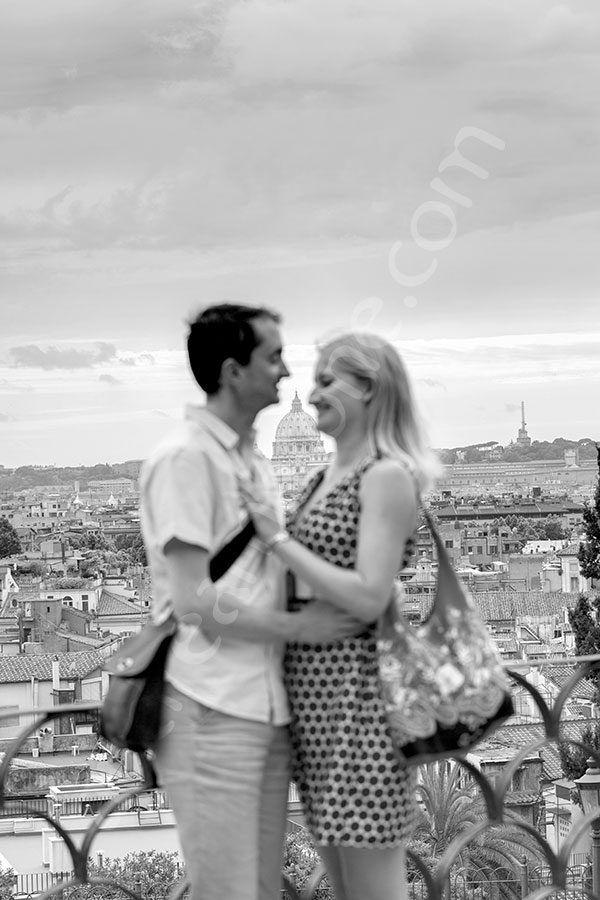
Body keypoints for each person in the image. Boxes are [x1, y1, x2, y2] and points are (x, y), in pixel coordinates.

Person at [139, 304, 360, 900]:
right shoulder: (188, 459)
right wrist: (303, 627)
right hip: (210, 710)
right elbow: (195, 602)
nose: (287, 371)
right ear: (234, 371)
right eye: (274, 356)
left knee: (258, 889)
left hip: (263, 711)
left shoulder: (249, 464)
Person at [240, 331, 438, 900]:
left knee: (373, 886)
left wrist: (276, 538)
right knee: (345, 879)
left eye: (328, 379)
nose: (313, 390)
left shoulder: (387, 475)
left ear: (369, 390)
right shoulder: (319, 478)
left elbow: (370, 595)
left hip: (361, 702)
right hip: (312, 702)